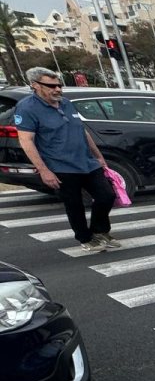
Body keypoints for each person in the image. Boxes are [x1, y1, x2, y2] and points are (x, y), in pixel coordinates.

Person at [13, 67, 119, 253]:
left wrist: (98, 156)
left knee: (107, 195)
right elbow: (26, 140)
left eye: (59, 85)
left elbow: (81, 130)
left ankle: (99, 231)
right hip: (60, 166)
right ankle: (85, 238)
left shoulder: (66, 103)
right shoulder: (27, 108)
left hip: (87, 162)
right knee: (74, 204)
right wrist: (44, 170)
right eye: (51, 86)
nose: (57, 90)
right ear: (35, 85)